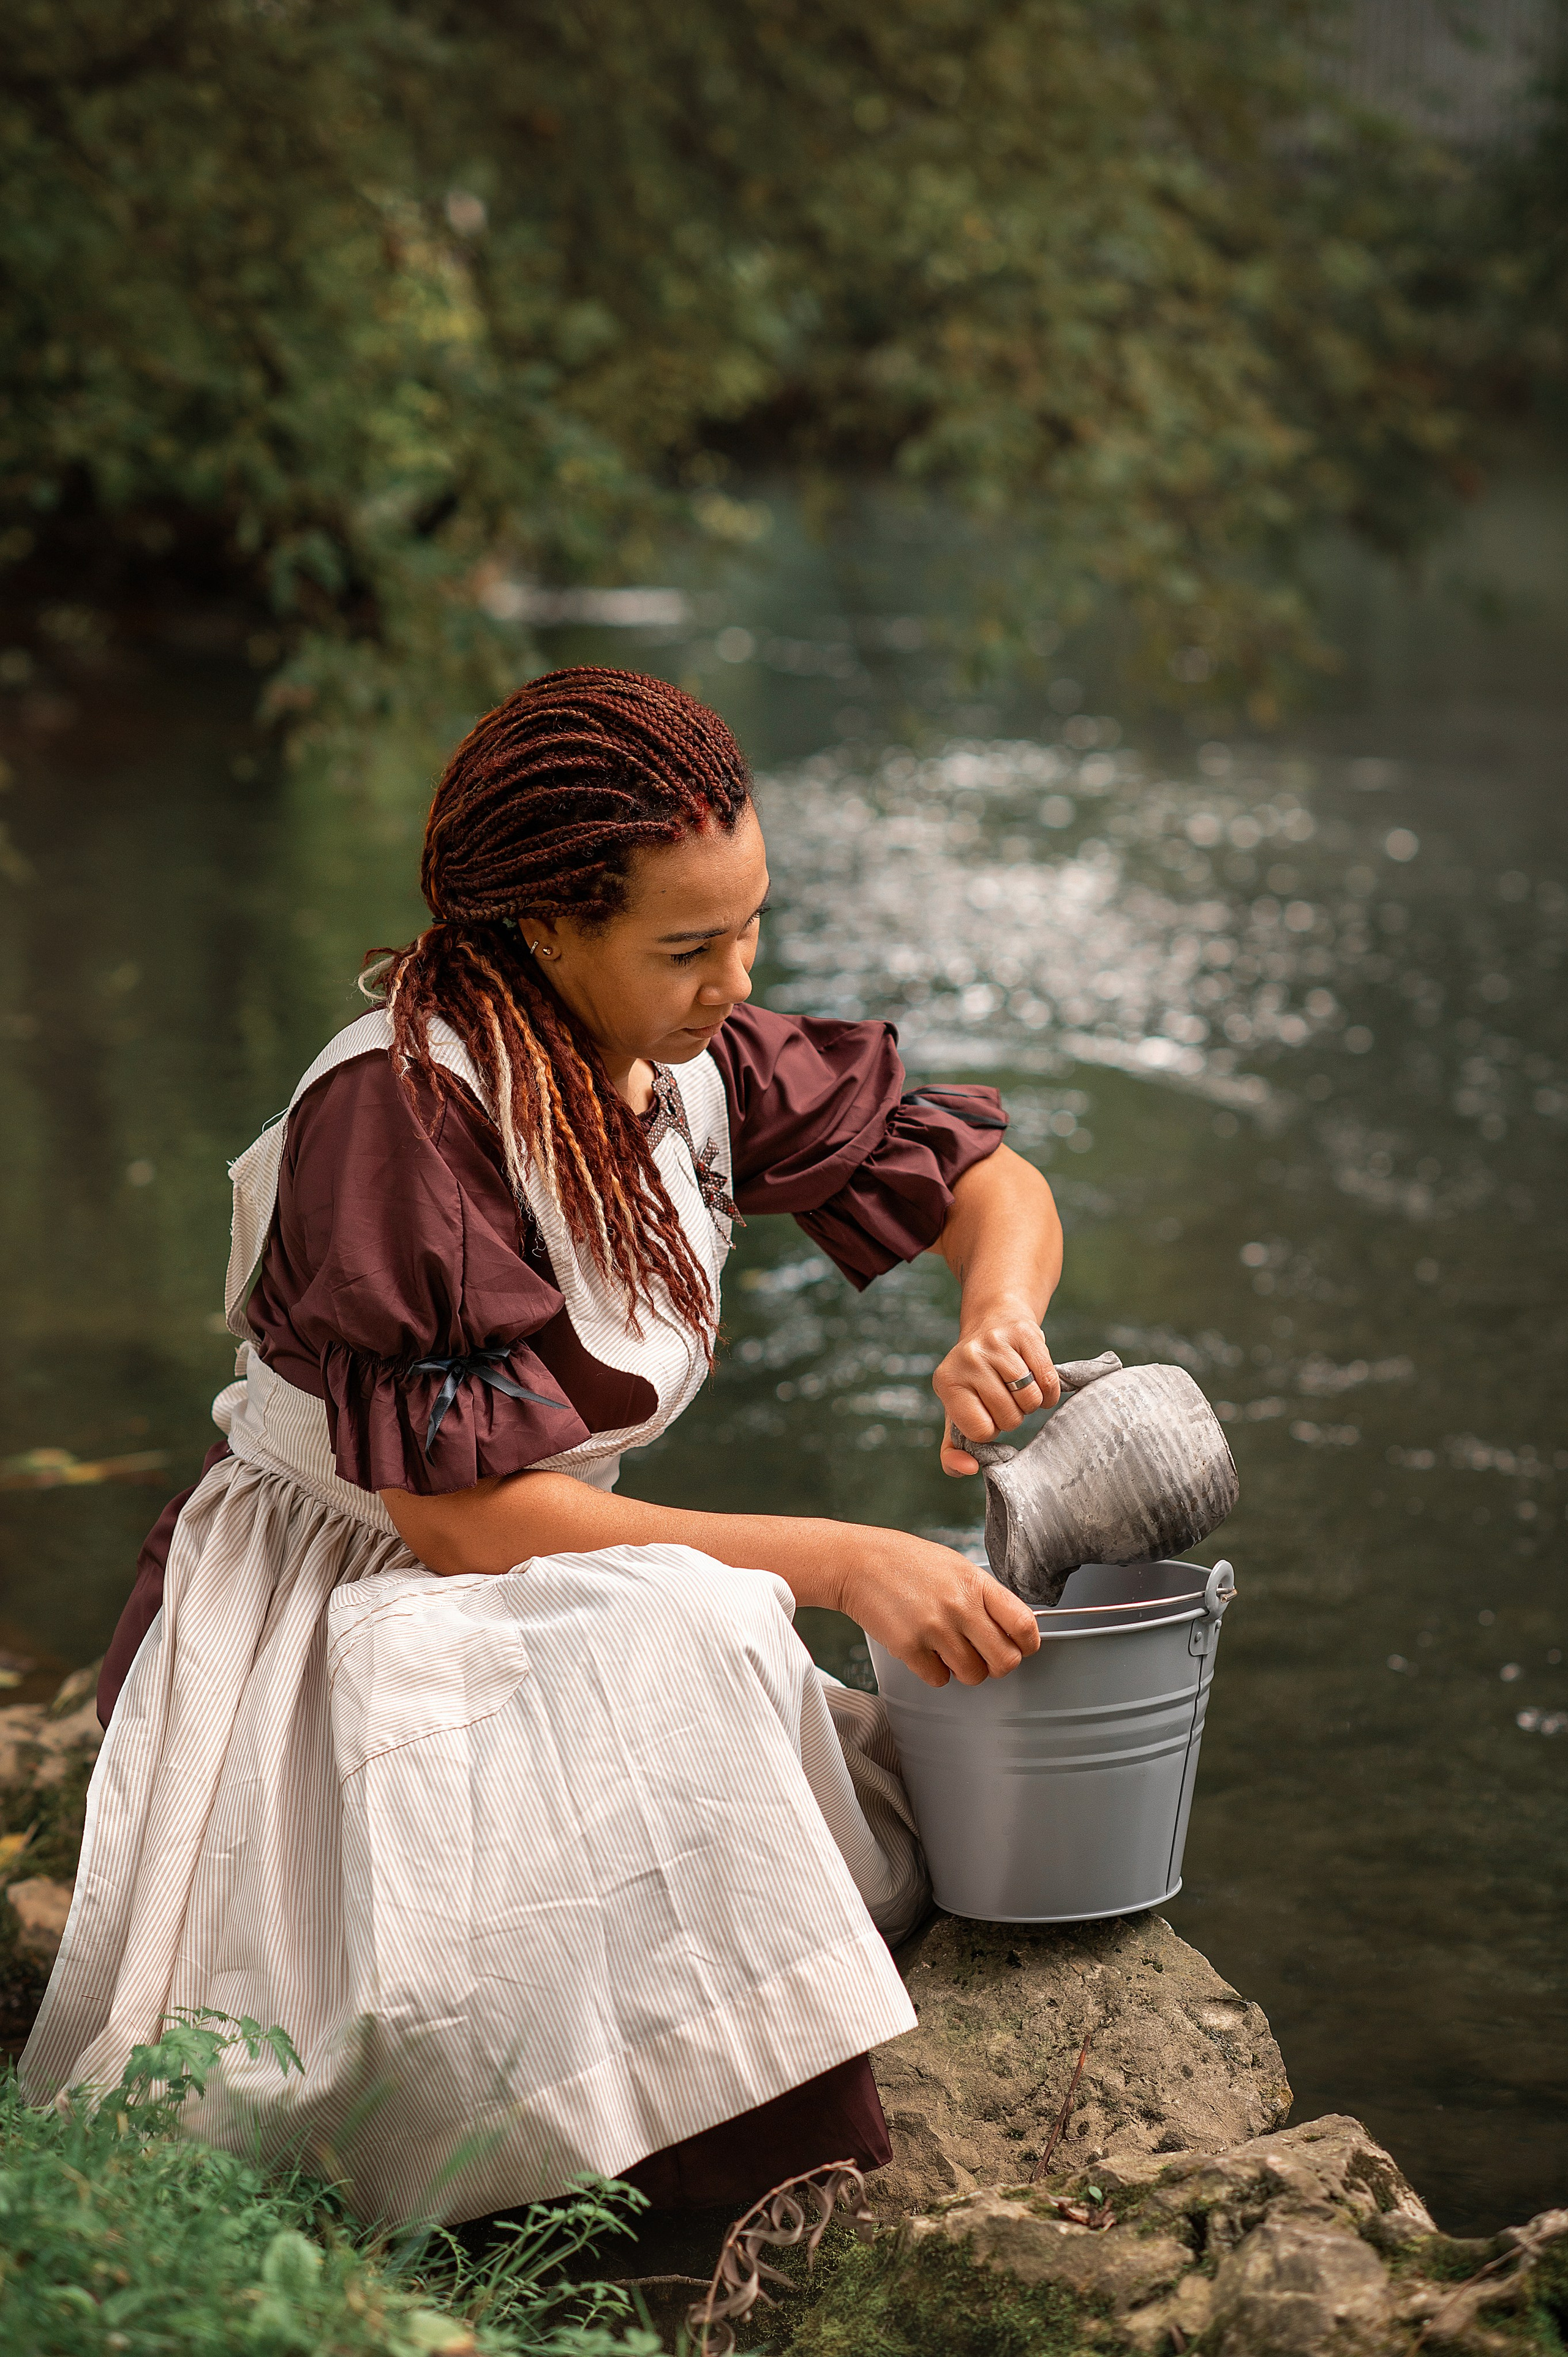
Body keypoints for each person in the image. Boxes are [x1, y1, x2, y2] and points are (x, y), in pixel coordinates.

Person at [23, 668, 1064, 2225]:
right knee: (709, 1623)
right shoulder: (403, 1106)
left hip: (535, 1553)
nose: (735, 978)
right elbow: (454, 1523)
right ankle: (719, 2190)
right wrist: (847, 1560)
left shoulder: (680, 1055)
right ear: (543, 927)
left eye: (750, 928)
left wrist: (993, 1310)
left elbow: (990, 1177)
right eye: (687, 947)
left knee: (706, 1642)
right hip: (336, 1599)